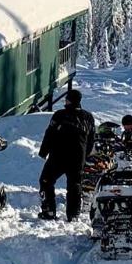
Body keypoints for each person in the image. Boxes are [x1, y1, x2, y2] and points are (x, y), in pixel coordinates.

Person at [38, 88, 95, 220]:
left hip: (58, 155)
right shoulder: (88, 117)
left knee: (46, 181)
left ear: (68, 100)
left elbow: (50, 133)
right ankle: (73, 214)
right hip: (78, 157)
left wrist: (43, 151)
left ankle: (49, 210)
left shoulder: (60, 115)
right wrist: (85, 155)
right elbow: (91, 139)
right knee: (75, 185)